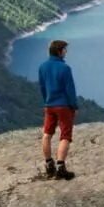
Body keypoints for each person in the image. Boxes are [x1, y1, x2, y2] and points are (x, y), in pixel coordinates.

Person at [37, 39, 77, 179]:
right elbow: (70, 90)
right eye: (65, 49)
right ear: (59, 51)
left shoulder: (42, 67)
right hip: (63, 106)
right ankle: (61, 167)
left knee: (47, 134)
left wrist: (47, 101)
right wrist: (74, 106)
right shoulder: (65, 68)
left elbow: (42, 87)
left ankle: (49, 165)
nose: (66, 52)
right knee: (65, 136)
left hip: (49, 105)